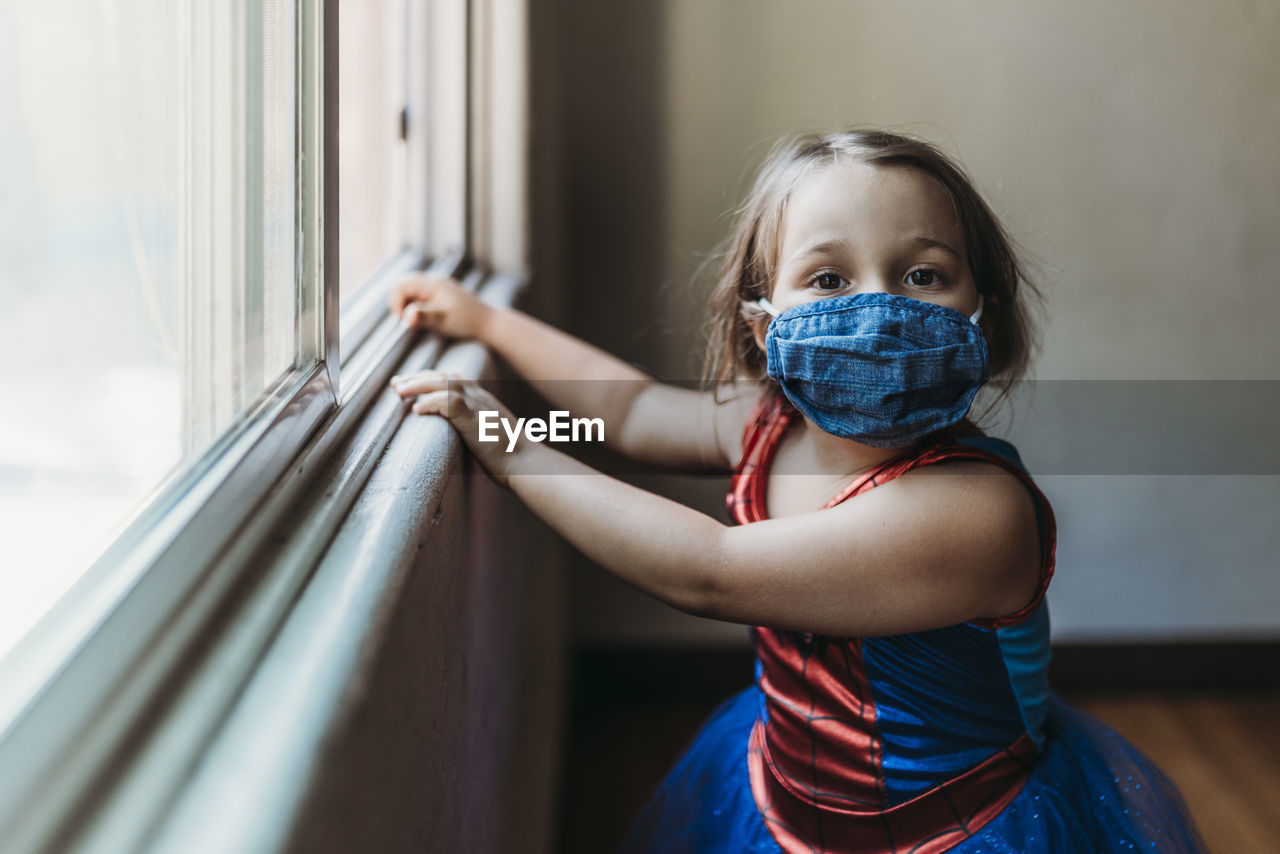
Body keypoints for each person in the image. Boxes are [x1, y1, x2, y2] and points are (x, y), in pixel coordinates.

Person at [386, 129, 1210, 853]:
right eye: (827, 279)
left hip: (949, 829)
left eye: (923, 275)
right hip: (787, 798)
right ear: (762, 325)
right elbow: (628, 417)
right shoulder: (768, 423)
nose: (879, 307)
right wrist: (487, 325)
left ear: (979, 318)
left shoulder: (977, 511)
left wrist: (507, 445)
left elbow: (707, 569)